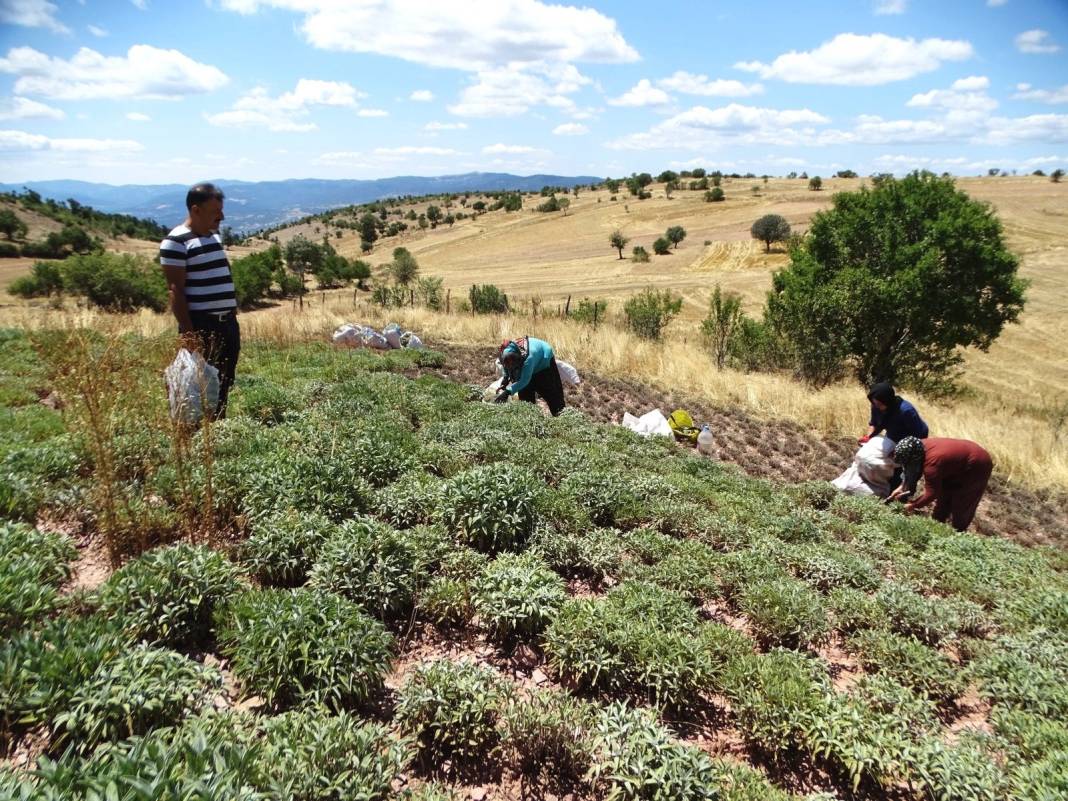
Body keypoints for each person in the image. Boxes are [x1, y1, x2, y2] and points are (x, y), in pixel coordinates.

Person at [159, 183, 239, 419]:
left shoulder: (213, 236)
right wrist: (189, 334)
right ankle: (196, 433)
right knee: (198, 383)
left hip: (227, 324)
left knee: (224, 380)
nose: (221, 216)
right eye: (216, 211)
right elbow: (176, 291)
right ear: (196, 210)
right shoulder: (175, 242)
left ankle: (218, 427)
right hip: (203, 325)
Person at [887, 436, 993, 532]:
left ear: (913, 458)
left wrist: (913, 505)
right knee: (944, 497)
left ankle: (959, 533)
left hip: (978, 464)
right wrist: (902, 486)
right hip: (956, 462)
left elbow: (932, 493)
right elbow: (911, 469)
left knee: (962, 502)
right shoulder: (916, 446)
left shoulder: (932, 464)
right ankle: (936, 527)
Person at [495, 336, 566, 416]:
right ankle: (530, 419)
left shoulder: (528, 358)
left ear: (518, 358)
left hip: (543, 360)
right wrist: (505, 378)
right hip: (527, 363)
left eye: (514, 365)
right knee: (525, 400)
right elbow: (506, 367)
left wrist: (507, 392)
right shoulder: (504, 355)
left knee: (552, 395)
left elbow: (524, 380)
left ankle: (561, 416)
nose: (512, 367)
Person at [859, 382, 928, 445]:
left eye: (879, 404)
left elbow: (918, 434)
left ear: (887, 401)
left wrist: (903, 448)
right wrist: (868, 437)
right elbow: (874, 424)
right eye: (874, 403)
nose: (877, 406)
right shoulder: (876, 406)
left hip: (912, 436)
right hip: (892, 435)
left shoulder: (906, 410)